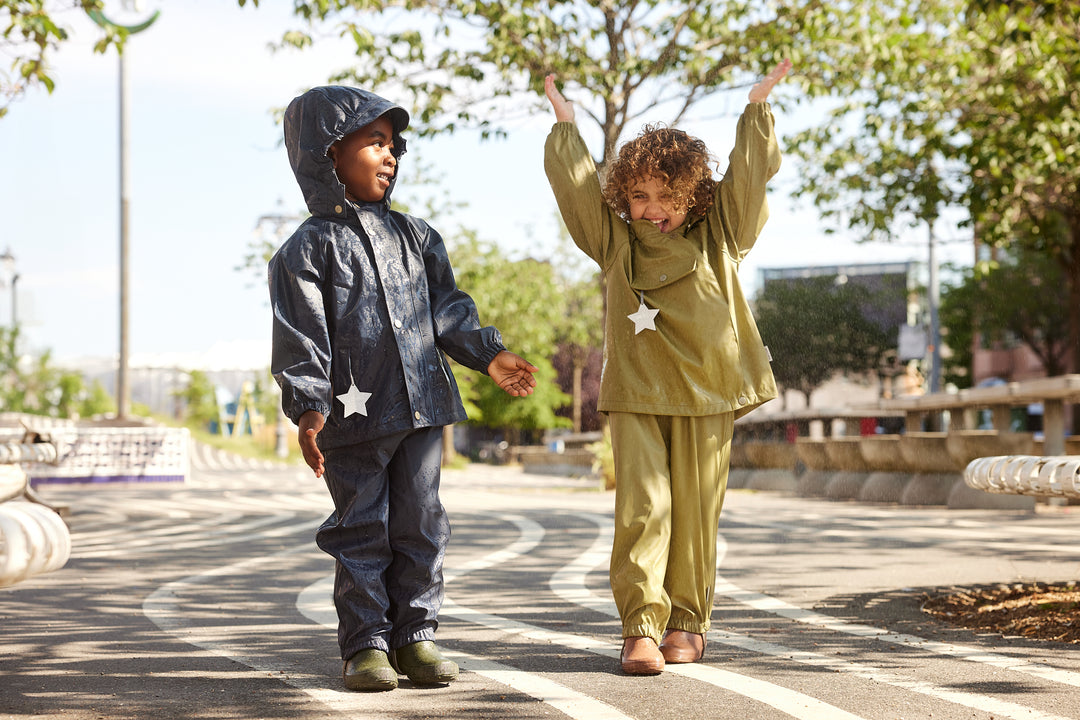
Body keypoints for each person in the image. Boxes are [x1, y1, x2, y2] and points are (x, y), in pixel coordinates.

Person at [269, 85, 538, 692]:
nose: (389, 156)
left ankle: (416, 636)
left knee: (421, 522)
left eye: (393, 145)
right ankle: (365, 644)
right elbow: (301, 337)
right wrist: (309, 410)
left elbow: (448, 310)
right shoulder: (303, 251)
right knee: (361, 527)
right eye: (374, 142)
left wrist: (488, 356)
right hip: (352, 418)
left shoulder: (417, 237)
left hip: (423, 407)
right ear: (327, 153)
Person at [542, 60, 792, 675]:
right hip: (637, 392)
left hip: (708, 389)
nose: (653, 209)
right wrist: (566, 129)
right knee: (643, 509)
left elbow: (749, 178)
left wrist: (756, 110)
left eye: (668, 197)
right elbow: (576, 192)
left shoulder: (722, 233)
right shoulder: (615, 242)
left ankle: (688, 622)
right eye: (640, 195)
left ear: (694, 196)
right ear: (623, 196)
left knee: (697, 510)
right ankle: (642, 627)